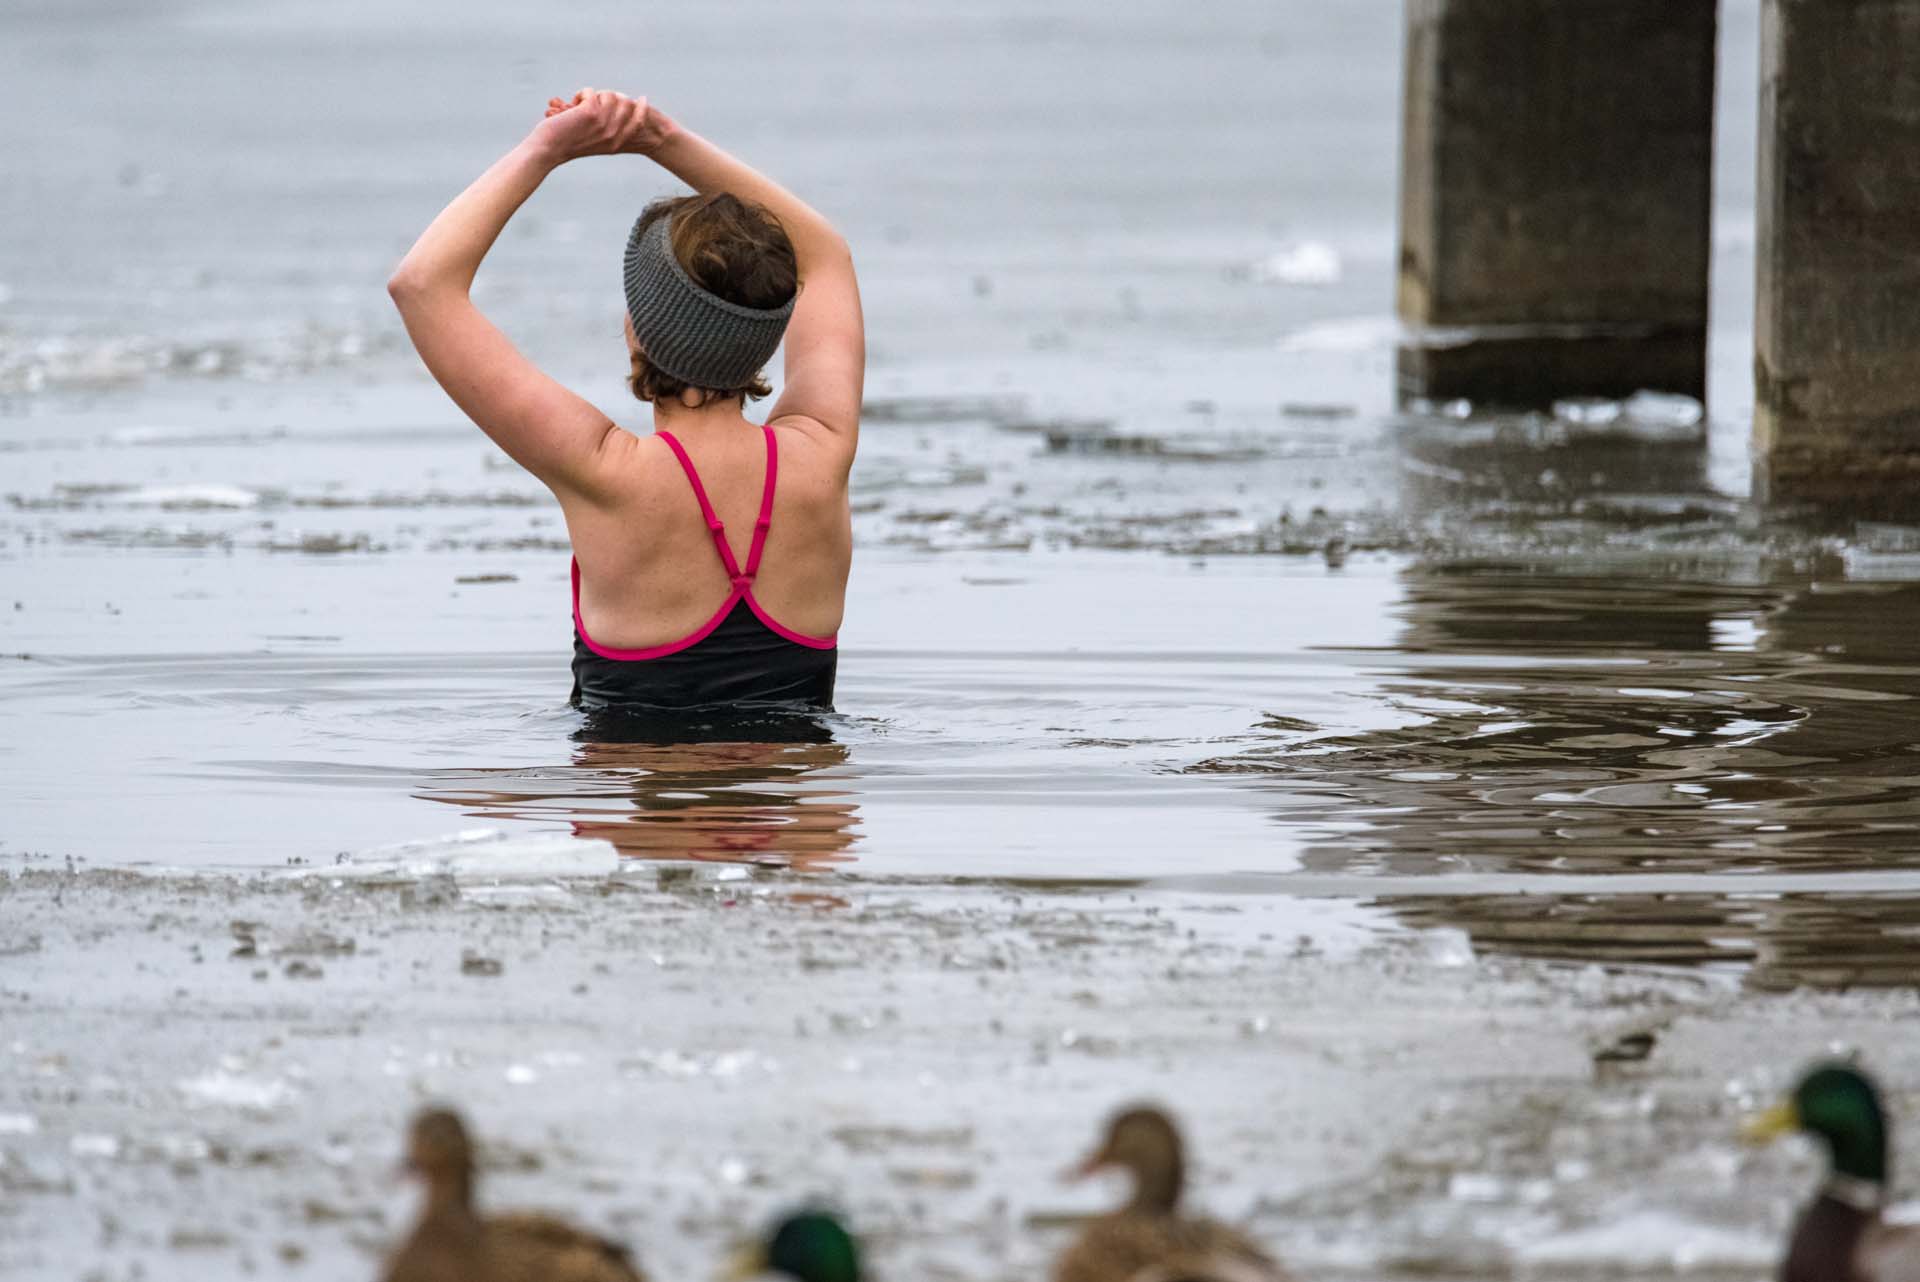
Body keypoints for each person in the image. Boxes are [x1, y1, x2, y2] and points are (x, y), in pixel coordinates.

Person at [388, 89, 860, 713]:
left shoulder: (604, 471)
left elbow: (422, 286)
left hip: (635, 803)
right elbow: (824, 257)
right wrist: (662, 139)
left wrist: (546, 149)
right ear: (771, 326)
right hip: (796, 801)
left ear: (641, 327)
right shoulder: (822, 450)